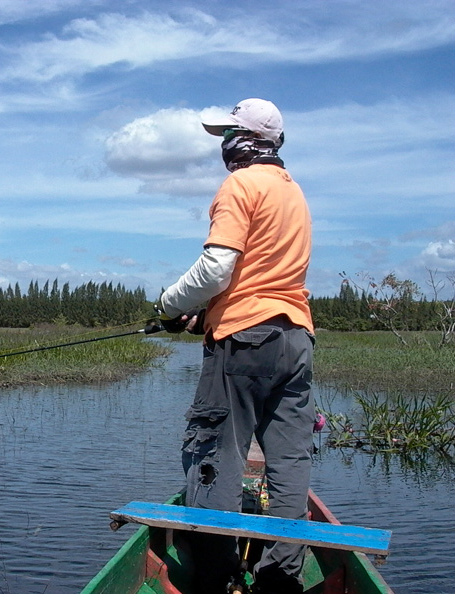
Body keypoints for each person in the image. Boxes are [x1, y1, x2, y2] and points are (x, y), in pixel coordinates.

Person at [158, 98, 316, 594]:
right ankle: (280, 579)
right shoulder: (294, 193)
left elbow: (217, 269)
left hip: (243, 342)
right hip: (296, 336)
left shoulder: (240, 185)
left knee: (215, 453)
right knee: (289, 463)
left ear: (246, 140)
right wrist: (205, 314)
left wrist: (168, 304)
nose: (223, 144)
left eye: (229, 133)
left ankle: (214, 574)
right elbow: (262, 278)